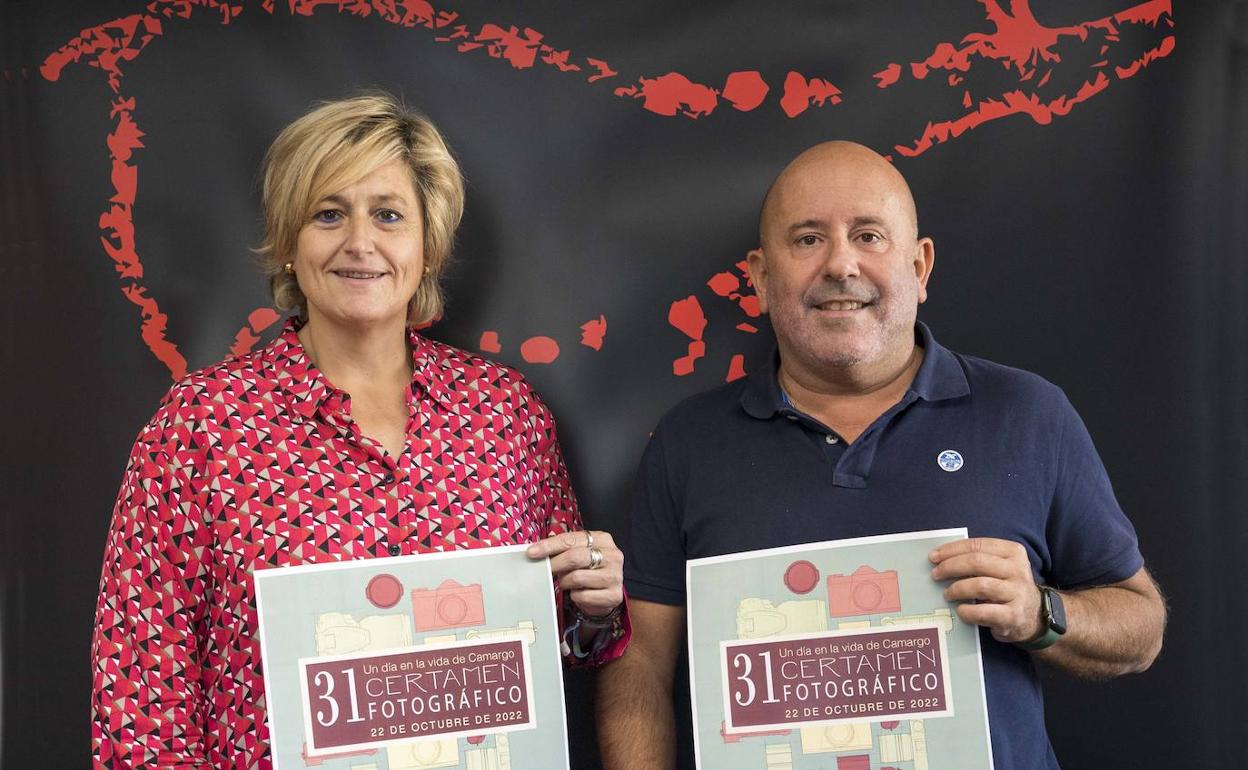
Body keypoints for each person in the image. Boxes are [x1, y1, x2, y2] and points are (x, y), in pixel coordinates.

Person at [89, 93, 627, 769]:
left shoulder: (505, 414)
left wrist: (596, 610)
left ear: (427, 247)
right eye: (328, 214)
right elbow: (142, 692)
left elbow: (557, 644)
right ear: (289, 243)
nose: (360, 242)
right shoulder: (200, 427)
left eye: (389, 215)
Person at [597, 141, 1166, 769]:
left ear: (920, 268)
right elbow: (641, 661)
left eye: (869, 236)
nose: (842, 264)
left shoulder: (1027, 414)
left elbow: (1139, 627)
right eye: (808, 240)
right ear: (760, 277)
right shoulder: (688, 441)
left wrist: (1040, 611)